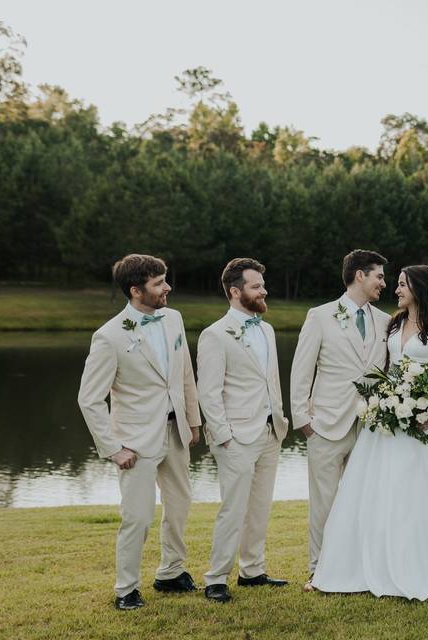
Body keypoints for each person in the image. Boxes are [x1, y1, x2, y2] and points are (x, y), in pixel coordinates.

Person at [312, 265, 428, 600]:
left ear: (418, 288)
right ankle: (370, 558)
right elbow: (388, 369)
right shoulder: (394, 323)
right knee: (382, 488)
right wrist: (388, 400)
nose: (396, 289)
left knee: (419, 490)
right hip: (390, 420)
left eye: (402, 284)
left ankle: (423, 559)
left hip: (426, 423)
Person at [77, 254, 201, 610]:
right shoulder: (109, 336)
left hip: (175, 432)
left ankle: (171, 573)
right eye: (159, 283)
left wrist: (192, 420)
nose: (168, 288)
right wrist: (113, 448)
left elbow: (184, 373)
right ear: (136, 290)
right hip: (135, 442)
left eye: (165, 280)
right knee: (139, 517)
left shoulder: (174, 319)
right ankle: (126, 588)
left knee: (179, 506)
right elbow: (89, 399)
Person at [290, 250, 391, 592]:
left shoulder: (385, 321)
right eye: (378, 275)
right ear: (359, 276)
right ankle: (319, 570)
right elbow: (301, 370)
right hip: (327, 423)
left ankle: (359, 567)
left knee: (363, 500)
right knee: (324, 503)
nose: (383, 283)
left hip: (372, 427)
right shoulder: (319, 317)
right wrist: (303, 418)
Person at [198, 258, 290, 603]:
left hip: (269, 431)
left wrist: (278, 420)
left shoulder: (265, 328)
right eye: (256, 286)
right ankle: (216, 579)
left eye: (263, 285)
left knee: (260, 507)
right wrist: (223, 436)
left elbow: (271, 380)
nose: (264, 291)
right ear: (235, 292)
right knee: (232, 510)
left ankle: (252, 571)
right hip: (235, 436)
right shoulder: (214, 335)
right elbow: (208, 392)